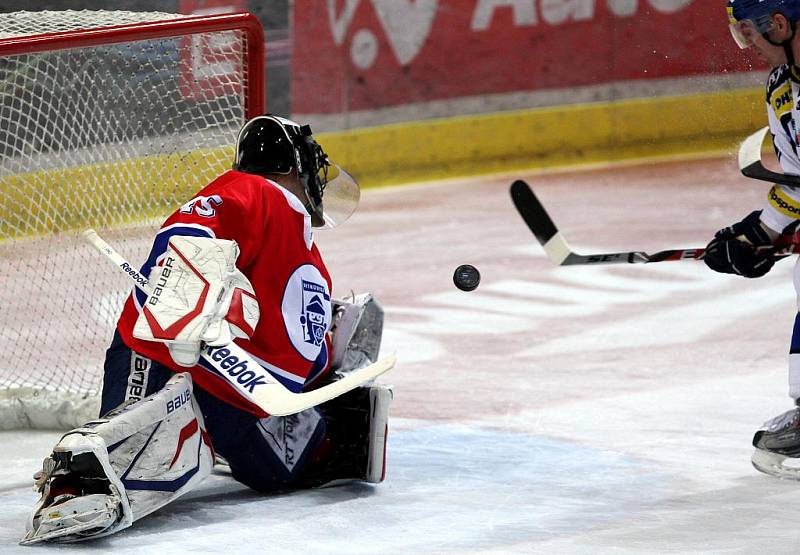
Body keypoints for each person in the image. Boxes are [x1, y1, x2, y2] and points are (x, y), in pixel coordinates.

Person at [22, 115, 392, 544]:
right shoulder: (255, 192)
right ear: (295, 166)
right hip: (166, 355)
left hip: (230, 386)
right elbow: (190, 229)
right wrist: (185, 296)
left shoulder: (302, 244)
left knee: (281, 469)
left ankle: (326, 432)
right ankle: (86, 477)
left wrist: (328, 354)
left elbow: (293, 335)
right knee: (120, 454)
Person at [705, 1, 800, 479]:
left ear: (779, 24)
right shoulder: (783, 90)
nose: (751, 47)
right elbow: (798, 181)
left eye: (750, 33)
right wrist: (759, 232)